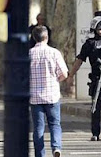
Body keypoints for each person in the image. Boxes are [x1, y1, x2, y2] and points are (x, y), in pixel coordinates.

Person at [66, 16, 101, 141]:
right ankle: (95, 132)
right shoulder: (89, 44)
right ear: (94, 29)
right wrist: (71, 75)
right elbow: (79, 60)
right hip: (97, 79)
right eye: (99, 29)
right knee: (96, 106)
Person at [29, 26, 69, 157]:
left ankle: (40, 154)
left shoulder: (29, 54)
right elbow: (64, 73)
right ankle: (56, 147)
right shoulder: (54, 53)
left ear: (34, 37)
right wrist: (56, 79)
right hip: (52, 95)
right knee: (55, 124)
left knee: (38, 128)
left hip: (34, 97)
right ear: (46, 37)